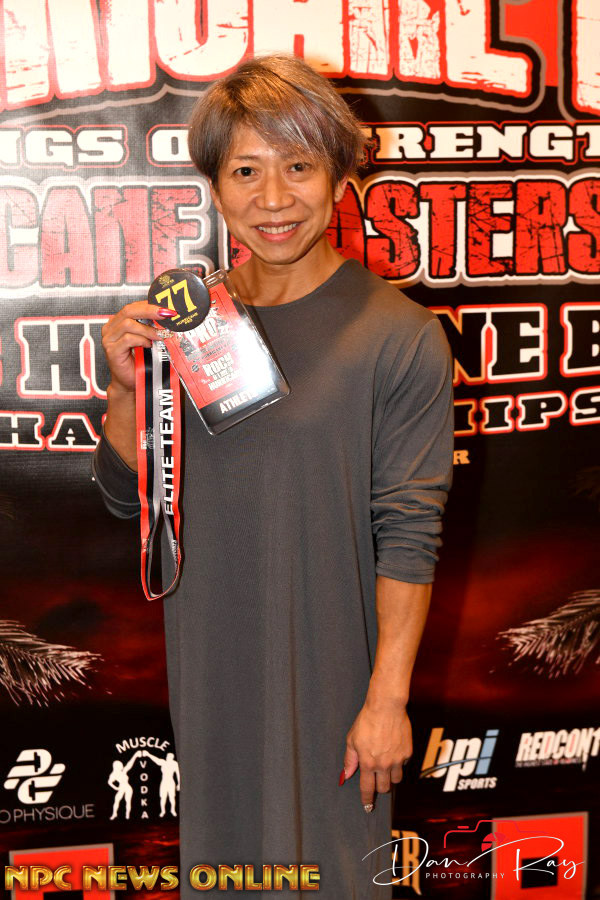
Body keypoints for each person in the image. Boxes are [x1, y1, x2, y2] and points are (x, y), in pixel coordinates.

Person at [92, 54, 454, 897]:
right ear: (216, 190)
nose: (274, 198)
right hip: (212, 670)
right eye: (246, 171)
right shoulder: (189, 324)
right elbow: (123, 496)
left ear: (339, 179)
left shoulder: (398, 335)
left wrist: (387, 700)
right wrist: (126, 388)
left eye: (298, 166)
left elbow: (409, 530)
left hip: (335, 676)